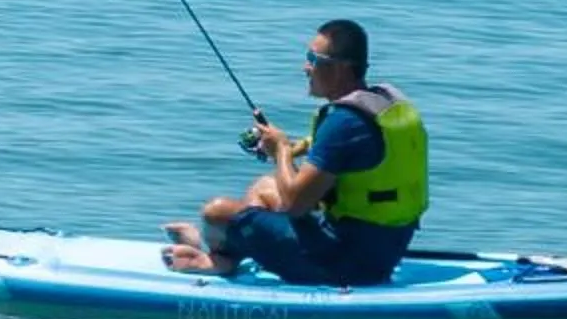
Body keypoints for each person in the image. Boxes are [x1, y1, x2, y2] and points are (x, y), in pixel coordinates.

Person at [164, 18, 427, 285]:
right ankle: (231, 252)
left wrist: (281, 151)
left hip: (345, 264)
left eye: (313, 59)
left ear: (341, 68)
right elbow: (342, 152)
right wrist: (292, 148)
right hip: (384, 249)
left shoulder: (344, 122)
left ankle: (219, 259)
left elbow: (295, 206)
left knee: (216, 212)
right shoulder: (382, 104)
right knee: (265, 187)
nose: (305, 67)